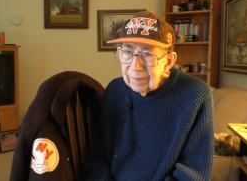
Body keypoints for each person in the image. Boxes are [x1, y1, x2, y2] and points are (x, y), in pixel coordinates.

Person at [84, 11, 214, 181]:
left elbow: (193, 174)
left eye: (147, 54)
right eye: (127, 52)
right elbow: (97, 158)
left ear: (168, 61)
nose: (135, 66)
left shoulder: (195, 95)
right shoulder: (114, 90)